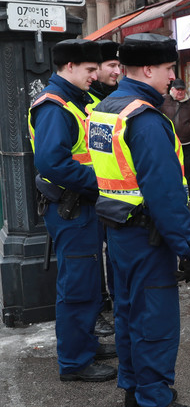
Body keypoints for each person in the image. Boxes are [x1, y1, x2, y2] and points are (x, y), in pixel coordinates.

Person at [88, 33, 190, 407]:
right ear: (149, 69)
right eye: (170, 69)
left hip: (118, 232)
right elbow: (166, 195)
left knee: (128, 313)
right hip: (148, 237)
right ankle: (154, 401)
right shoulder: (147, 119)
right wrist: (186, 247)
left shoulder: (106, 108)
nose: (173, 76)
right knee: (155, 321)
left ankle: (134, 392)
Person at [28, 39, 117, 382]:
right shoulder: (54, 106)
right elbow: (52, 163)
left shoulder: (77, 99)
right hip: (72, 208)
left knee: (88, 283)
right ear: (69, 67)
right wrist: (101, 182)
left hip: (82, 207)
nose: (96, 76)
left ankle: (86, 344)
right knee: (77, 286)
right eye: (91, 70)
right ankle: (75, 362)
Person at [89, 39, 121, 339]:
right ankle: (97, 306)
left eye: (118, 65)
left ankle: (111, 298)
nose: (117, 71)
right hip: (87, 192)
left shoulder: (113, 96)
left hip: (114, 193)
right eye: (112, 65)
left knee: (112, 251)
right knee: (90, 256)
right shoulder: (87, 100)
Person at [160, 78, 190, 201]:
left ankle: (188, 191)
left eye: (182, 90)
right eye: (177, 90)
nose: (180, 92)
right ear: (172, 90)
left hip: (186, 141)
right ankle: (170, 190)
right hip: (169, 141)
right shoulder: (163, 100)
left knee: (187, 167)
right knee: (169, 166)